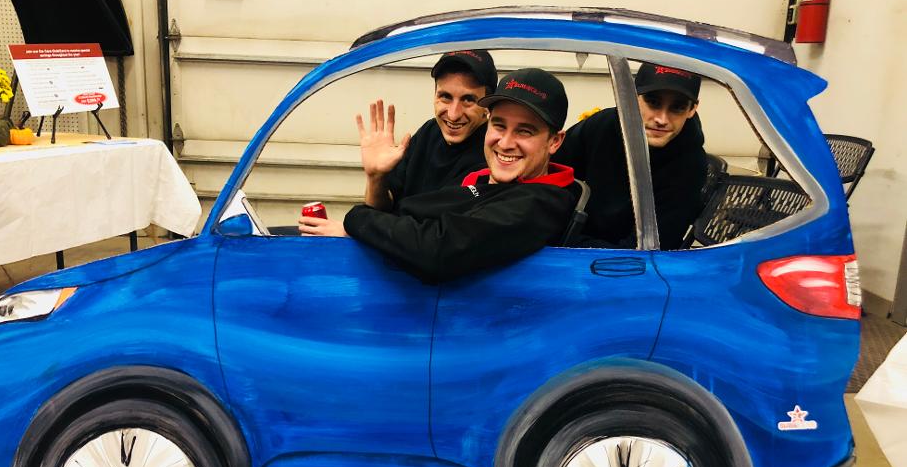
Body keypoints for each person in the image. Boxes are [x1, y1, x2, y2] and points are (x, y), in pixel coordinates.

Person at [300, 69, 578, 283]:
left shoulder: (540, 202)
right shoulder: (482, 178)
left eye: (524, 131)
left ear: (555, 141)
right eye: (499, 125)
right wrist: (375, 178)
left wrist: (355, 223)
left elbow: (438, 251)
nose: (505, 143)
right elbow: (414, 223)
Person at [553, 62, 707, 250]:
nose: (661, 119)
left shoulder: (690, 165)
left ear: (692, 109)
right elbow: (550, 170)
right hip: (571, 239)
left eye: (677, 108)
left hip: (616, 261)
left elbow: (647, 251)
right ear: (632, 98)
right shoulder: (601, 125)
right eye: (653, 102)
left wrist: (565, 241)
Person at [362, 49, 498, 211]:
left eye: (468, 99)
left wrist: (357, 219)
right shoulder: (429, 131)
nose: (453, 115)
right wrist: (375, 178)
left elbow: (427, 224)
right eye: (445, 97)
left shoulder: (493, 156)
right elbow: (382, 206)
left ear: (487, 107)